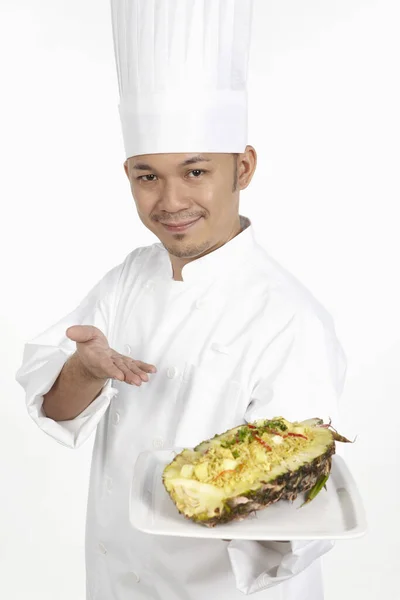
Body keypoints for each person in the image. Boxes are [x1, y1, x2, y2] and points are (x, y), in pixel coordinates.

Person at [16, 2, 347, 599]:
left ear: (242, 167)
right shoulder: (128, 279)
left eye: (195, 172)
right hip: (116, 582)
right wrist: (85, 369)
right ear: (128, 175)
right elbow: (59, 411)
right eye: (148, 176)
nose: (169, 201)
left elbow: (299, 518)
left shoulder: (290, 319)